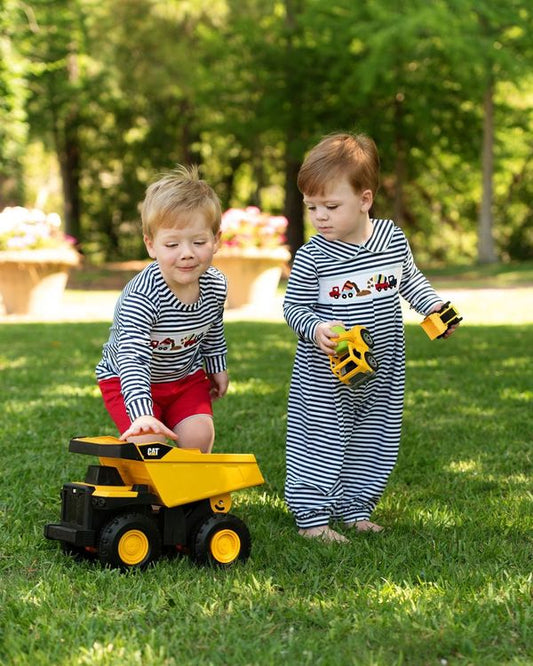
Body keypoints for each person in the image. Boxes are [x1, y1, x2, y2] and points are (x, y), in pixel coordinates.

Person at [283, 132, 460, 542]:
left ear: (364, 200)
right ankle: (311, 516)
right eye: (312, 207)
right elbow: (293, 308)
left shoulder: (391, 238)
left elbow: (409, 280)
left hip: (382, 367)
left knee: (374, 438)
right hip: (326, 373)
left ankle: (355, 507)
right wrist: (315, 328)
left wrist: (433, 307)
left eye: (331, 206)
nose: (319, 216)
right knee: (320, 439)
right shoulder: (313, 255)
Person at [96, 165, 228, 452]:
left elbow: (213, 327)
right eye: (172, 244)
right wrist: (143, 414)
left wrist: (217, 366)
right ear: (151, 245)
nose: (187, 253)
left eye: (199, 241)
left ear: (216, 240)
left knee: (197, 438)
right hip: (127, 379)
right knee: (149, 445)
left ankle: (189, 493)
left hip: (184, 378)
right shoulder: (142, 297)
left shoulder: (216, 284)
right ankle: (151, 495)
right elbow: (132, 359)